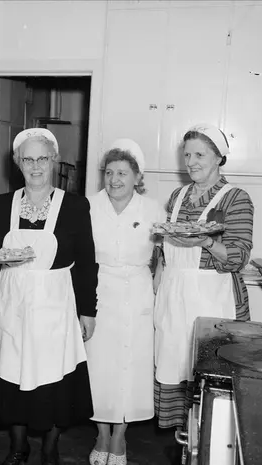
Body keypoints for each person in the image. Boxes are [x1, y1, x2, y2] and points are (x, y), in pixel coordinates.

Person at [0, 128, 98, 465]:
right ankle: (18, 447)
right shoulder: (2, 204)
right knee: (12, 375)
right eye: (28, 159)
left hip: (55, 303)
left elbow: (86, 263)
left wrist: (87, 311)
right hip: (12, 302)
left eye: (42, 159)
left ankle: (50, 448)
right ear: (17, 162)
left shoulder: (75, 205)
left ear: (54, 160)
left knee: (53, 379)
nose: (35, 166)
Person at [153, 124, 254, 429]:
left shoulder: (235, 198)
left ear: (218, 157)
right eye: (187, 155)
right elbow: (166, 247)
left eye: (200, 155)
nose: (191, 162)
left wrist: (206, 242)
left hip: (213, 299)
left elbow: (238, 257)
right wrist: (158, 278)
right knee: (176, 371)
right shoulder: (178, 196)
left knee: (211, 384)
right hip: (175, 297)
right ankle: (185, 441)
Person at [86, 140, 165, 465]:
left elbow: (163, 253)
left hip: (138, 293)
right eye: (109, 173)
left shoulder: (152, 209)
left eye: (122, 173)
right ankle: (102, 434)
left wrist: (157, 285)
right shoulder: (89, 206)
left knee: (130, 367)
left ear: (137, 177)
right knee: (99, 366)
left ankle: (120, 436)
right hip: (98, 291)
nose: (114, 179)